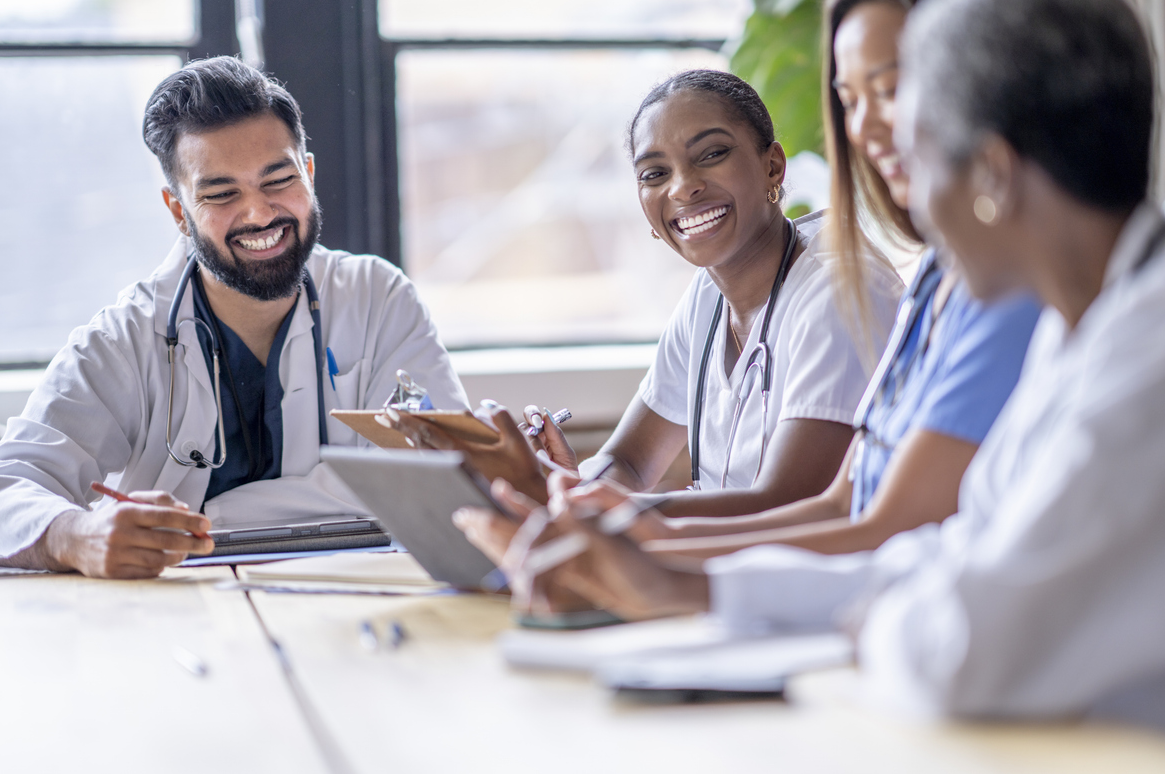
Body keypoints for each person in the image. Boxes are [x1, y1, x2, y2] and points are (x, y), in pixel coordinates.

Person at [460, 0, 1165, 750]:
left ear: (993, 176)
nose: (901, 192)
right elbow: (944, 555)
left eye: (917, 151)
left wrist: (829, 613)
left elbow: (966, 645)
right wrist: (677, 583)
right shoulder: (1081, 326)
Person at [0, 56, 467, 579]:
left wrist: (207, 519)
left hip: (349, 602)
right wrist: (74, 536)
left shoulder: (379, 298)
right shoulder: (124, 340)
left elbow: (446, 477)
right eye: (220, 194)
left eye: (278, 179)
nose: (259, 214)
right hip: (172, 616)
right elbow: (2, 488)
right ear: (178, 212)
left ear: (307, 172)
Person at [384, 70, 901, 517]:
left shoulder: (838, 288)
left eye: (712, 154)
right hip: (728, 571)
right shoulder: (707, 297)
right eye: (655, 173)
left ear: (773, 166)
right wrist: (567, 484)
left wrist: (585, 503)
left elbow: (786, 502)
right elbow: (629, 463)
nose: (682, 188)